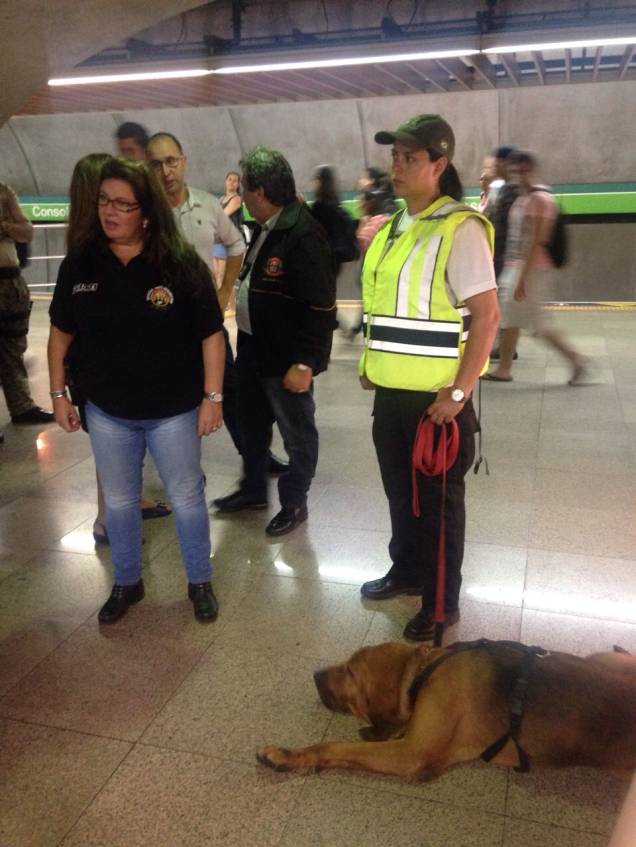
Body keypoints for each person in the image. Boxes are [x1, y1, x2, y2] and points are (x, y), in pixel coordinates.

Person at [48, 158, 225, 624]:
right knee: (122, 501)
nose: (109, 212)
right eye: (104, 201)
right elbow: (60, 334)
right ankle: (127, 582)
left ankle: (199, 581)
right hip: (108, 410)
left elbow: (211, 334)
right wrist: (58, 395)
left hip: (174, 410)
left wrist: (213, 398)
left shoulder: (179, 263)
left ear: (146, 212)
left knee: (186, 497)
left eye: (123, 204)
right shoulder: (82, 263)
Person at [358, 114, 500, 641]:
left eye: (410, 158)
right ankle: (407, 570)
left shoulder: (459, 229)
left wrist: (459, 393)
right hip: (392, 394)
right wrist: (374, 366)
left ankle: (441, 604)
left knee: (438, 509)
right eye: (395, 156)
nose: (398, 166)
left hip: (436, 404)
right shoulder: (396, 224)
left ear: (439, 165)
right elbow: (388, 306)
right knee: (401, 495)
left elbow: (487, 317)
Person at [146, 131, 287, 475]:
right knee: (165, 401)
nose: (165, 171)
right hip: (157, 327)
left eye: (171, 161)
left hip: (205, 323)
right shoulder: (143, 212)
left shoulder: (208, 205)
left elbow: (237, 246)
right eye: (156, 164)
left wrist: (224, 292)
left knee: (234, 394)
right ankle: (178, 468)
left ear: (183, 162)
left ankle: (256, 457)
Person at [213, 146, 337, 536]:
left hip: (285, 359)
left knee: (298, 435)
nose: (242, 195)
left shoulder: (303, 234)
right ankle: (252, 490)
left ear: (262, 192)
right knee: (251, 427)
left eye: (245, 188)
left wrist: (306, 363)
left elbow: (322, 305)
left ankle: (294, 502)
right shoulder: (268, 227)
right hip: (253, 349)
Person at [65, 153, 172, 545]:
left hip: (95, 358)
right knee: (109, 441)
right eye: (105, 197)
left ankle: (123, 506)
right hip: (95, 362)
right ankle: (107, 518)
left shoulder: (86, 236)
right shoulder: (90, 250)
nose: (112, 206)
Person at [483, 150, 585, 384]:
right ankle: (505, 368)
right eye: (514, 171)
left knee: (534, 323)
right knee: (514, 320)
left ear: (530, 169)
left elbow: (537, 241)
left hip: (531, 270)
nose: (517, 175)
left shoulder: (541, 200)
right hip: (517, 267)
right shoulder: (524, 197)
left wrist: (521, 279)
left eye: (520, 170)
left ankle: (577, 361)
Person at [0, 181, 54, 428]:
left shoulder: (3, 192)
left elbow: (26, 231)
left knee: (13, 347)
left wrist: (4, 226)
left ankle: (22, 407)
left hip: (9, 283)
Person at [309, 165, 359, 276]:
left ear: (320, 181)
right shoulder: (335, 203)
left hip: (324, 257)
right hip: (336, 258)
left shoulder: (320, 206)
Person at [213, 170, 245, 294]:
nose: (231, 182)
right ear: (225, 182)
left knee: (225, 278)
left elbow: (222, 216)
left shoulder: (237, 199)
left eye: (235, 180)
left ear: (238, 185)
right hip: (217, 240)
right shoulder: (220, 199)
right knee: (217, 276)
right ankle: (222, 307)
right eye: (229, 179)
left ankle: (227, 308)